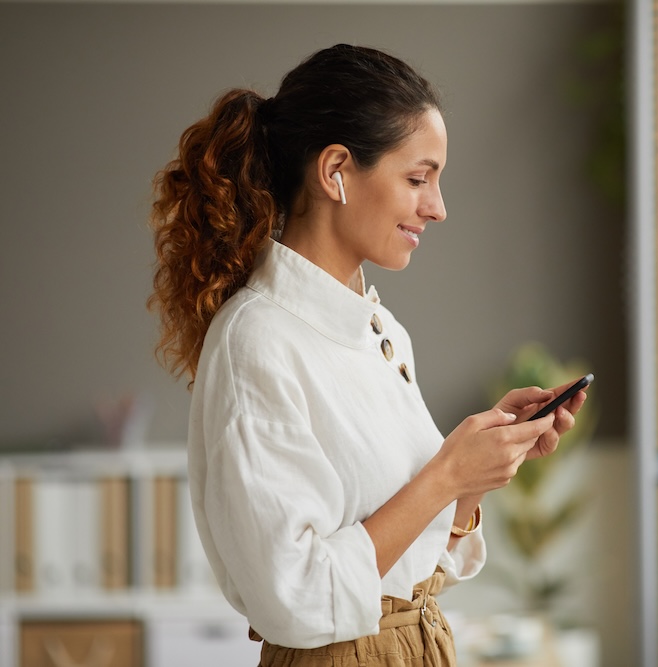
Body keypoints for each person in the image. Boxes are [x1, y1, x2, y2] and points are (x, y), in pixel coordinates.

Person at [147, 43, 587, 666]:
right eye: (417, 178)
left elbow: (412, 563)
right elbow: (294, 595)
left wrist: (475, 479)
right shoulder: (257, 341)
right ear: (335, 172)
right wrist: (447, 474)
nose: (437, 207)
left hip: (418, 645)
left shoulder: (382, 332)